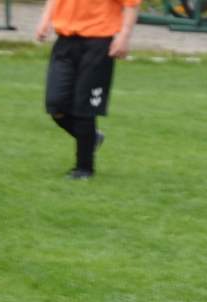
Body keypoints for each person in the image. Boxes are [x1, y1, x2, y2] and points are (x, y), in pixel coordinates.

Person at [34, 0, 140, 181]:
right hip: (65, 40)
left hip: (98, 41)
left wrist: (124, 35)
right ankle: (92, 138)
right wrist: (45, 19)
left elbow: (132, 4)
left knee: (84, 108)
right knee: (55, 104)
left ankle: (84, 169)